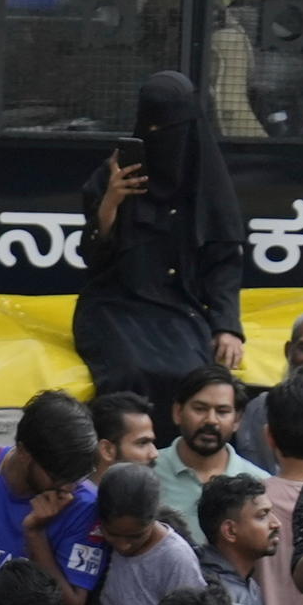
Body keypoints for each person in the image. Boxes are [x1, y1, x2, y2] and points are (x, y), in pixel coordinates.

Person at [75, 70, 246, 417]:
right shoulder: (112, 177)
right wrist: (110, 204)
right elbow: (93, 260)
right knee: (129, 373)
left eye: (168, 133)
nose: (160, 141)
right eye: (151, 133)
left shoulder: (205, 183)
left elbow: (223, 261)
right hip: (116, 305)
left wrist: (227, 327)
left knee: (192, 380)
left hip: (178, 308)